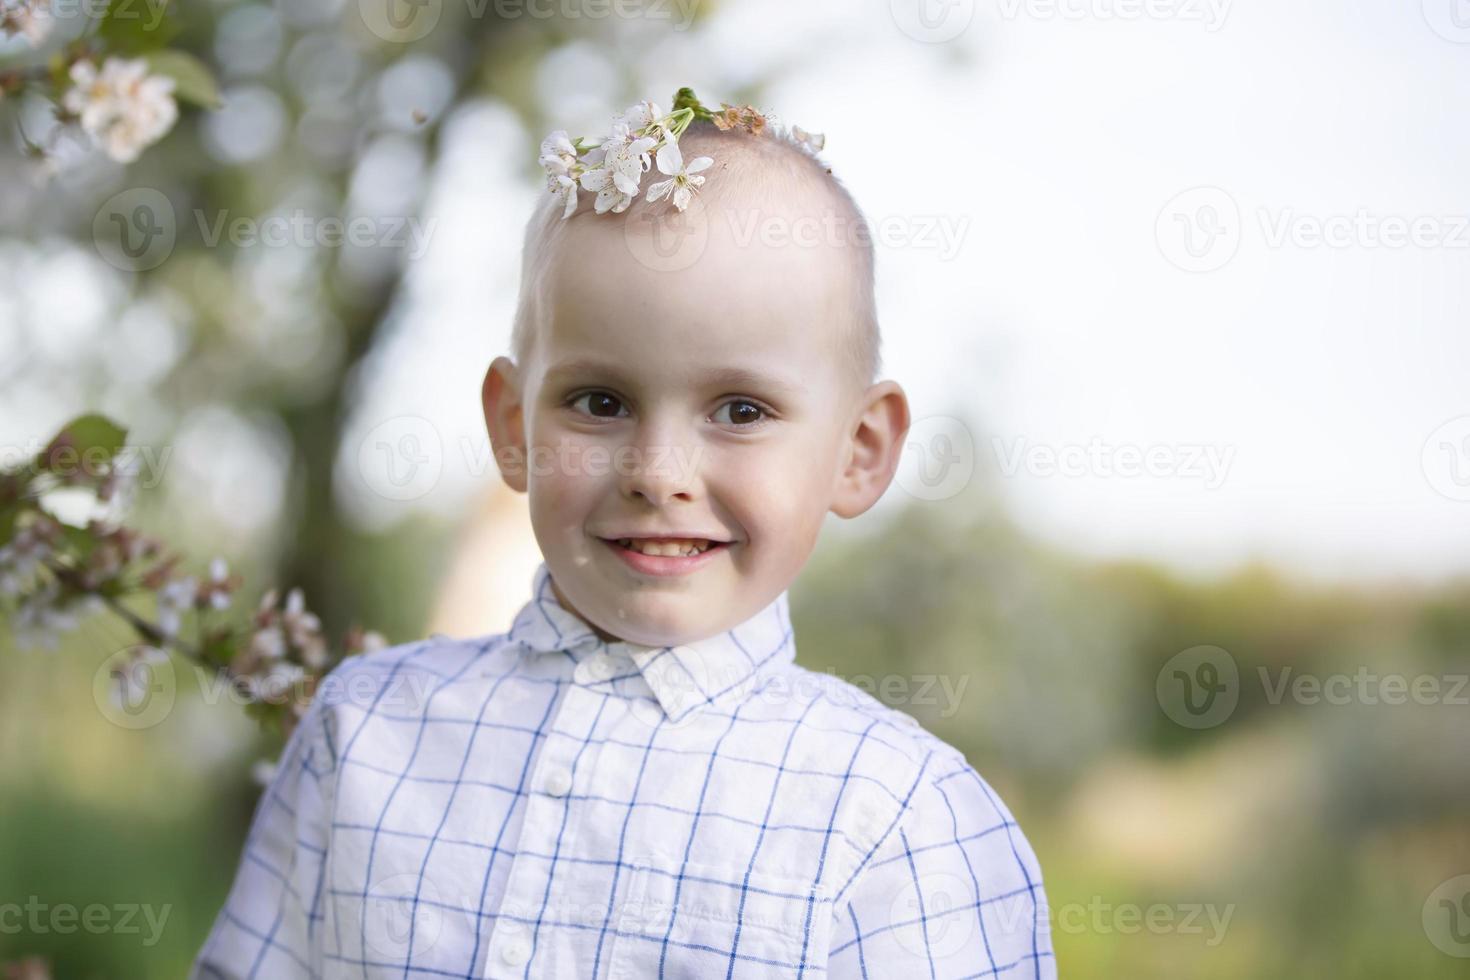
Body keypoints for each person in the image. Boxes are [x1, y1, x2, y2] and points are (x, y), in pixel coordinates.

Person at [192, 92, 1055, 979]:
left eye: (741, 410)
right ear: (514, 425)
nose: (656, 470)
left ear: (859, 450)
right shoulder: (364, 734)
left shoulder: (901, 820)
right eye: (600, 403)